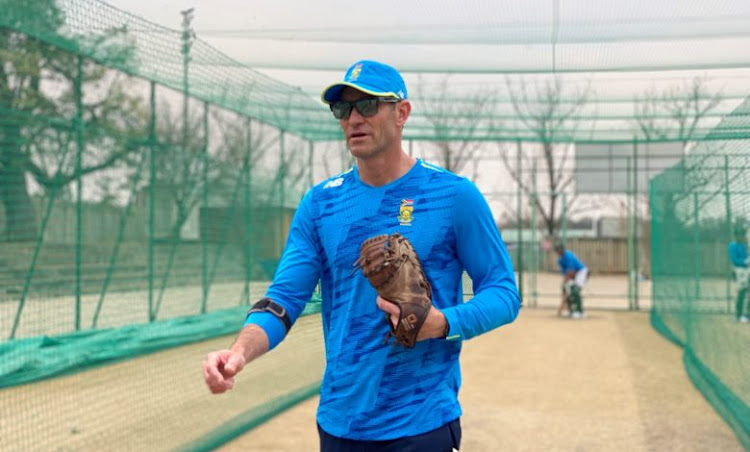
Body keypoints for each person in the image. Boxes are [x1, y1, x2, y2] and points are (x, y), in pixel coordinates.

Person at [202, 60, 521, 451]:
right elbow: (284, 298)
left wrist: (442, 322)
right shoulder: (320, 204)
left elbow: (504, 292)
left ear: (402, 112)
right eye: (343, 108)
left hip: (421, 424)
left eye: (367, 105)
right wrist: (238, 353)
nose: (353, 117)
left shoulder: (453, 195)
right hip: (339, 425)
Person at [554, 242, 588, 319]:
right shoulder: (560, 260)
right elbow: (564, 273)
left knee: (575, 290)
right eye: (557, 250)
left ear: (562, 250)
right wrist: (565, 281)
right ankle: (570, 310)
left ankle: (579, 311)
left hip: (580, 272)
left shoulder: (568, 255)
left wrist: (567, 279)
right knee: (566, 289)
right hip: (572, 275)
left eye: (559, 250)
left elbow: (572, 271)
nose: (558, 252)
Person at [728, 227, 750, 323]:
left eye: (743, 235)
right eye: (739, 235)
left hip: (747, 269)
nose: (741, 237)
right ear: (736, 236)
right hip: (739, 270)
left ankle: (747, 314)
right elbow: (734, 259)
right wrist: (744, 262)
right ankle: (738, 314)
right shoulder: (733, 245)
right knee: (741, 291)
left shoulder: (744, 245)